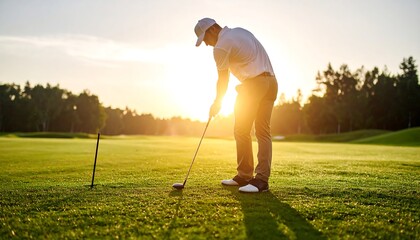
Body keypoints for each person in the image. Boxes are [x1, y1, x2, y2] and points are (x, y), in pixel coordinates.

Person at [194, 18, 278, 193]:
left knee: (241, 130)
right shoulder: (240, 31)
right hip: (271, 83)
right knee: (263, 131)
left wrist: (217, 103)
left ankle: (246, 175)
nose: (207, 45)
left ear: (212, 30)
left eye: (205, 40)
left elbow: (223, 79)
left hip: (254, 84)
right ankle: (260, 179)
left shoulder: (220, 46)